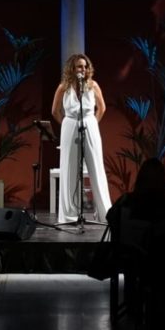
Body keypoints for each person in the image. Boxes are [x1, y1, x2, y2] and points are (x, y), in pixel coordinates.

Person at [51, 53, 112, 224]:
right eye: (79, 66)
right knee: (69, 169)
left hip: (89, 125)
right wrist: (67, 124)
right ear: (72, 68)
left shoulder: (93, 86)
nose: (83, 70)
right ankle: (70, 214)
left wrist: (92, 123)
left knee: (96, 168)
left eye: (85, 67)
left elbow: (102, 108)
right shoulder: (64, 87)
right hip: (70, 125)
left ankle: (104, 213)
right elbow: (55, 111)